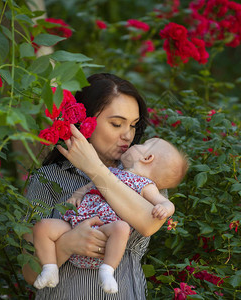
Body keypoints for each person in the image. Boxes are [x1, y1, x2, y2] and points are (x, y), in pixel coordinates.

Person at [23, 73, 181, 299]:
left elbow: (149, 223)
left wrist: (95, 170)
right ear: (85, 121)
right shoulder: (48, 179)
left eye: (134, 125)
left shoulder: (144, 177)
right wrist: (66, 245)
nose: (127, 135)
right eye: (116, 124)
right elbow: (30, 273)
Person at [32, 135, 188, 293]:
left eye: (142, 144)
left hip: (105, 232)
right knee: (42, 227)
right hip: (74, 227)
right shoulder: (110, 172)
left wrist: (165, 208)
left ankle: (107, 271)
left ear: (147, 158)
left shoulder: (145, 185)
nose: (132, 141)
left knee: (121, 228)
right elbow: (87, 187)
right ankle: (49, 268)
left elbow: (165, 203)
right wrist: (76, 196)